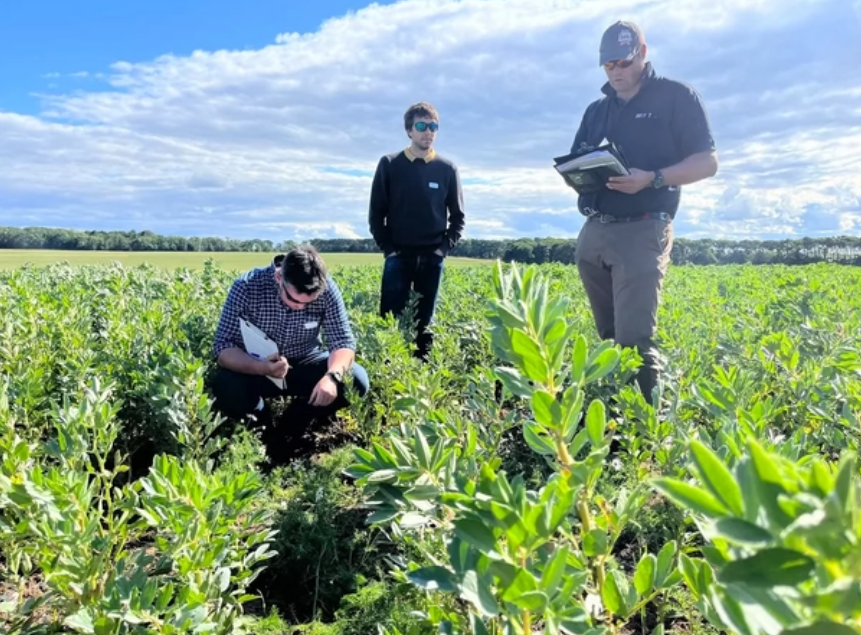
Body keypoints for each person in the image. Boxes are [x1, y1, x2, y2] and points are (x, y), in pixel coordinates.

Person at [569, 20, 718, 404]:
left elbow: (706, 163)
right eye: (608, 65)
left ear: (643, 53)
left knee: (635, 341)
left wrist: (651, 178)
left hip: (643, 227)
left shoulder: (676, 97)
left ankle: (646, 439)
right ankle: (615, 418)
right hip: (595, 229)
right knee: (609, 337)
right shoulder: (596, 110)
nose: (616, 71)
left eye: (623, 61)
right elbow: (578, 161)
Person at [210, 245, 369, 462]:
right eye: (294, 300)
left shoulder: (327, 289)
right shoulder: (246, 286)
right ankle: (263, 426)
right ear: (279, 277)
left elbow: (343, 342)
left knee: (356, 381)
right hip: (257, 366)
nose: (300, 308)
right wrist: (260, 367)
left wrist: (332, 376)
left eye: (308, 302)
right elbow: (222, 346)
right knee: (224, 385)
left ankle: (294, 422)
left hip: (305, 361)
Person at [368, 101, 465, 359]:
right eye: (421, 126)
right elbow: (376, 213)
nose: (428, 132)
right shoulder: (390, 164)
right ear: (409, 130)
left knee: (425, 325)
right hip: (398, 256)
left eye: (433, 127)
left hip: (432, 258)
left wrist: (441, 251)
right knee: (389, 321)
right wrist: (389, 250)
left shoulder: (447, 168)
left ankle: (420, 381)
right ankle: (387, 375)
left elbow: (458, 217)